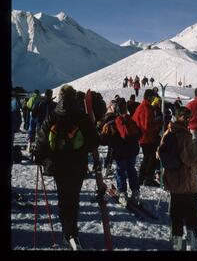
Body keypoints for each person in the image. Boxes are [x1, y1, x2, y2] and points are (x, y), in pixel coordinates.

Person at [33, 84, 100, 249]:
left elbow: (42, 138)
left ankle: (66, 232)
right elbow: (94, 141)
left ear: (61, 97)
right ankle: (73, 232)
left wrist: (38, 156)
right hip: (78, 165)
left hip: (59, 165)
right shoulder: (82, 116)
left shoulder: (54, 115)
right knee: (74, 198)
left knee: (64, 198)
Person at [156, 107, 197, 251]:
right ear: (180, 117)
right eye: (186, 117)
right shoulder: (183, 135)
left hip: (173, 181)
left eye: (190, 116)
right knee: (191, 214)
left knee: (176, 213)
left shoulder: (168, 131)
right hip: (186, 182)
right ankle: (192, 242)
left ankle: (177, 243)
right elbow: (192, 160)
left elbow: (160, 152)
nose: (189, 120)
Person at [100, 98, 141, 205]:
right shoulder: (130, 120)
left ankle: (123, 194)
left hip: (119, 153)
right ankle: (136, 192)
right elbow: (139, 134)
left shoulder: (112, 124)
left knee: (120, 171)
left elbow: (103, 140)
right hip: (132, 151)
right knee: (131, 170)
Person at [132, 89, 162, 186]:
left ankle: (142, 178)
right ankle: (146, 178)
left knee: (149, 158)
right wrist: (158, 124)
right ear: (149, 97)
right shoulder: (145, 108)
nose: (154, 98)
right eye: (153, 97)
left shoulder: (145, 106)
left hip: (145, 136)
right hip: (146, 137)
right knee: (150, 158)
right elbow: (146, 126)